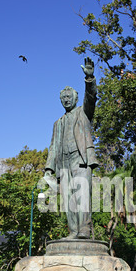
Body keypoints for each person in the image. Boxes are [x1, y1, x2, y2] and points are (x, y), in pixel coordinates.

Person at [44, 57, 98, 240]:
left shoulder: (83, 112)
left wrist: (89, 80)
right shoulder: (57, 123)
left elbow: (91, 98)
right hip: (64, 163)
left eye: (69, 97)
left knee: (81, 195)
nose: (66, 100)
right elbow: (53, 147)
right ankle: (73, 231)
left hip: (80, 160)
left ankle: (84, 229)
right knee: (68, 199)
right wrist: (49, 169)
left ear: (75, 99)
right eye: (63, 98)